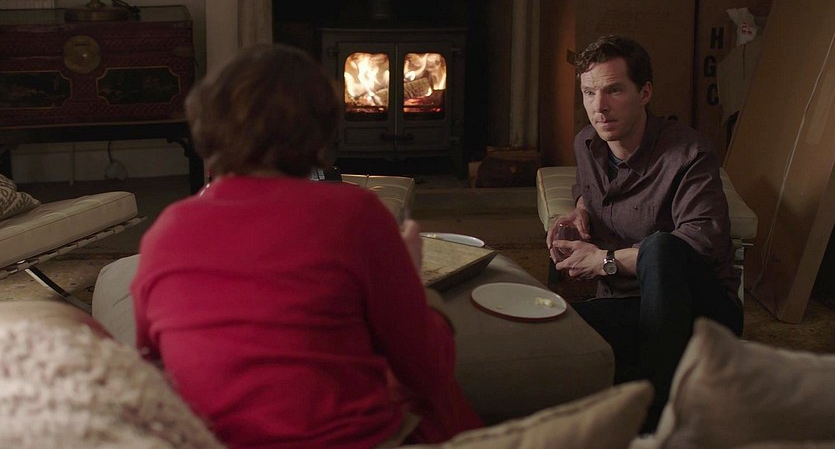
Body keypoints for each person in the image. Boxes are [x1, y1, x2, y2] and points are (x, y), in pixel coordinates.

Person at [130, 43, 483, 448]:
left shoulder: (166, 229)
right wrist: (417, 288)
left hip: (213, 441)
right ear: (319, 133)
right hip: (345, 441)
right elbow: (426, 372)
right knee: (433, 395)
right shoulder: (355, 213)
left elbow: (150, 357)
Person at [545, 35, 743, 432]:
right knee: (554, 336)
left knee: (661, 247)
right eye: (589, 93)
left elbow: (699, 244)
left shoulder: (690, 153)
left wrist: (603, 261)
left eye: (614, 90)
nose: (599, 107)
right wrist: (580, 210)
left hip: (698, 310)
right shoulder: (588, 141)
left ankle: (656, 420)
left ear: (645, 92)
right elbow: (586, 185)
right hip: (627, 302)